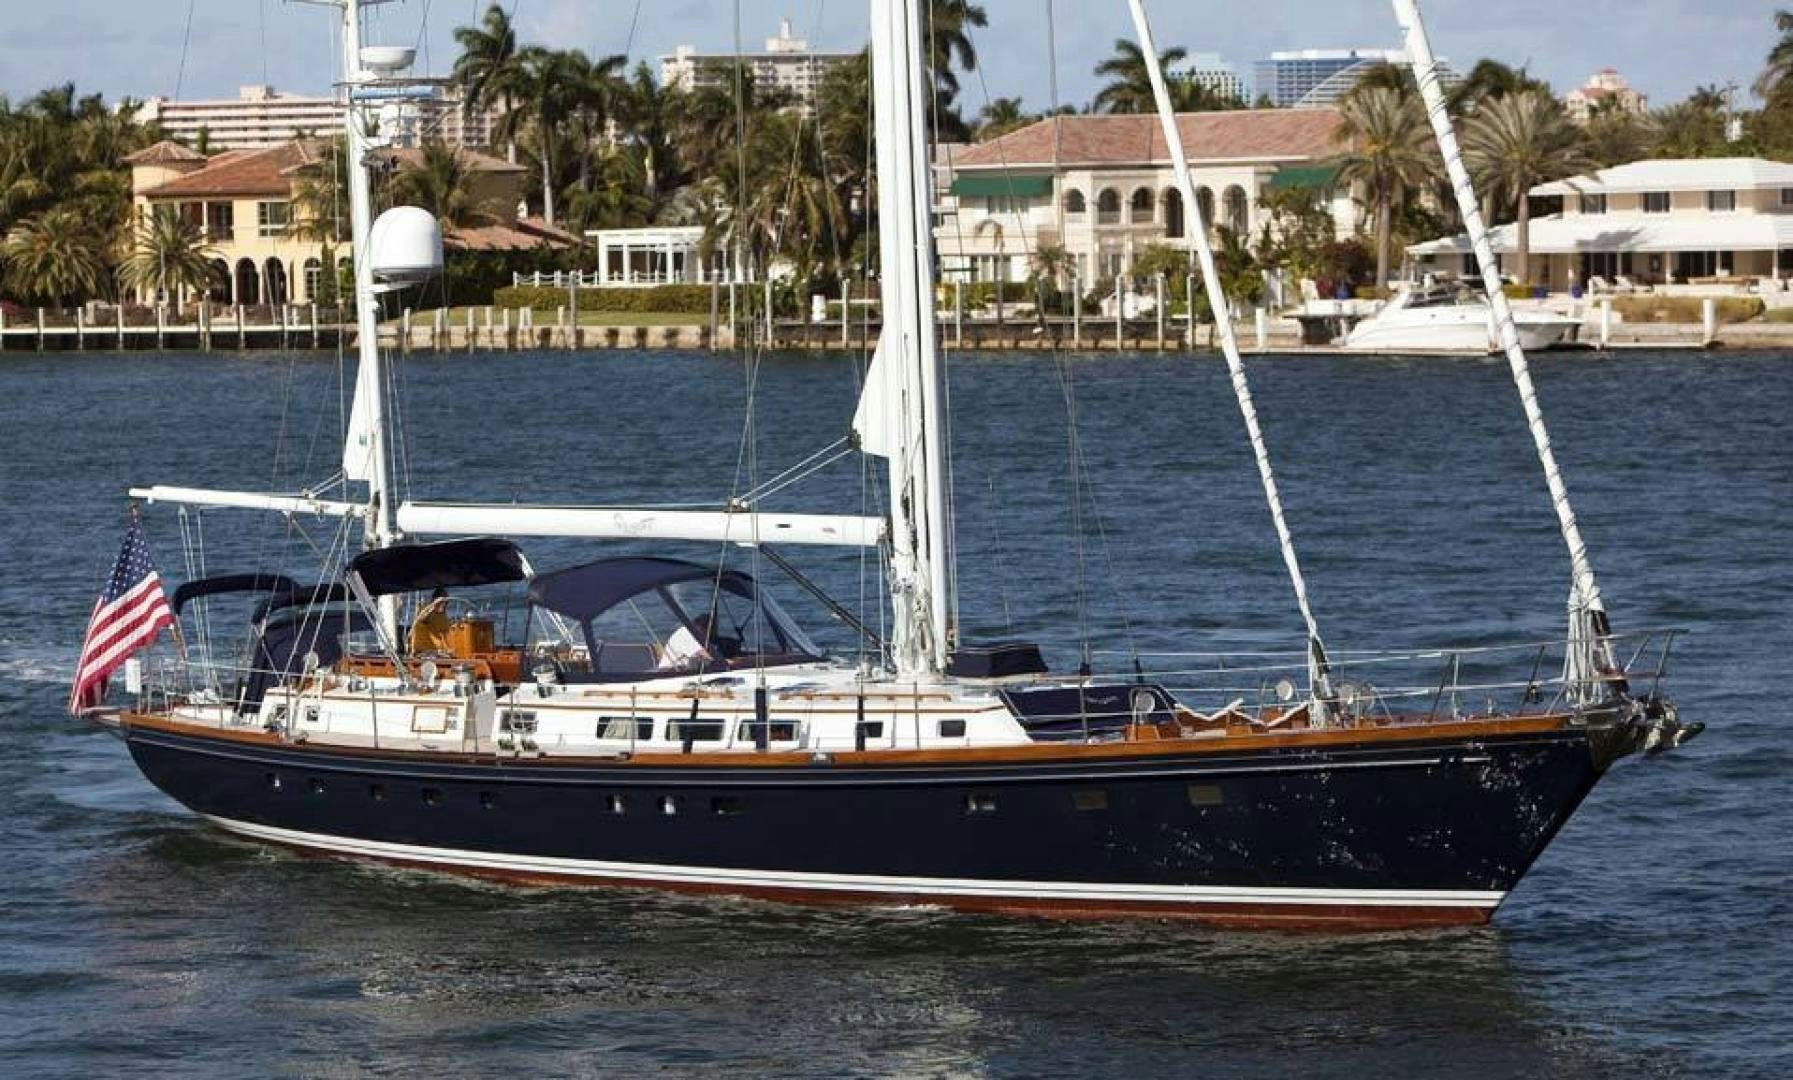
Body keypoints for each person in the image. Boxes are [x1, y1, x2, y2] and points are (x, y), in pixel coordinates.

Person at [408, 588, 452, 655]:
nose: (443, 604)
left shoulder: (443, 616)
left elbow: (445, 635)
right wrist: (433, 606)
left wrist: (448, 649)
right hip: (421, 650)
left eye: (445, 602)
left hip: (436, 650)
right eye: (441, 602)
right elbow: (421, 619)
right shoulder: (425, 610)